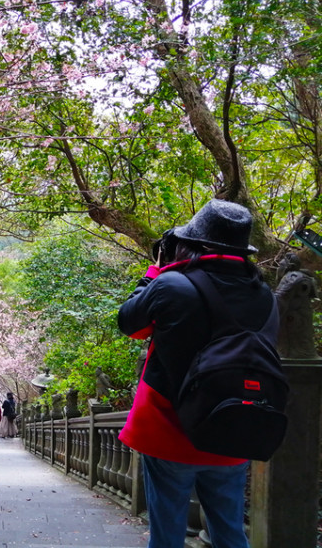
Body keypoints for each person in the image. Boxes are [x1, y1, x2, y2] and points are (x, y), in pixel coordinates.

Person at [117, 199, 276, 548]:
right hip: (233, 428)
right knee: (230, 533)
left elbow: (131, 324)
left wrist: (153, 273)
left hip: (168, 429)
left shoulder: (171, 284)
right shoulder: (264, 294)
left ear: (194, 244)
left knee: (167, 536)